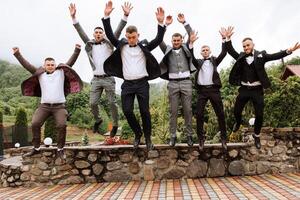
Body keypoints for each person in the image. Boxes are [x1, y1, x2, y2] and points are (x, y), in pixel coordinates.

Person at [101, 0, 168, 150]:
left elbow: (158, 40)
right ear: (126, 36)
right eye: (129, 37)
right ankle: (138, 133)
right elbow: (111, 36)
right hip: (128, 84)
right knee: (127, 111)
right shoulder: (121, 46)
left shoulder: (144, 46)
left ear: (138, 35)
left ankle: (148, 138)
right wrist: (107, 17)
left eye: (134, 37)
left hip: (142, 83)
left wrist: (160, 23)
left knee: (144, 111)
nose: (131, 40)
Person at [225, 26, 300, 149]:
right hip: (244, 89)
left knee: (259, 115)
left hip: (257, 89)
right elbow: (230, 50)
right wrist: (227, 38)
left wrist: (289, 51)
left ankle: (257, 134)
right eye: (244, 46)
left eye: (248, 45)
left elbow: (275, 56)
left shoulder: (261, 55)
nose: (246, 48)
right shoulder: (241, 56)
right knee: (236, 111)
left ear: (253, 45)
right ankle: (237, 123)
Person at [69, 2, 133, 136]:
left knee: (112, 103)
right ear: (94, 35)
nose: (98, 34)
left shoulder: (109, 44)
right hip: (96, 79)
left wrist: (125, 16)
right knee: (92, 103)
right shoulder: (90, 44)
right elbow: (81, 32)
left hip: (108, 78)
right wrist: (74, 18)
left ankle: (115, 125)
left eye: (100, 32)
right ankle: (98, 119)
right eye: (96, 32)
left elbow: (118, 30)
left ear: (103, 34)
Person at [13, 44, 82, 158]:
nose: (50, 66)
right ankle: (36, 148)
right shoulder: (40, 74)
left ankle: (60, 149)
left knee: (62, 125)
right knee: (35, 123)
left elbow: (70, 63)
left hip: (59, 107)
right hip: (44, 106)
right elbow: (27, 65)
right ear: (44, 66)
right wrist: (17, 54)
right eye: (48, 65)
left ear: (55, 66)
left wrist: (77, 50)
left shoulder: (61, 73)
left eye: (52, 65)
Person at [159, 13, 196, 147]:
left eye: (178, 40)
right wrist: (164, 25)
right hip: (173, 84)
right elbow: (159, 40)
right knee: (173, 111)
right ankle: (173, 136)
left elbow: (191, 35)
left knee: (188, 110)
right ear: (171, 41)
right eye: (174, 40)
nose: (176, 42)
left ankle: (189, 136)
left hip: (186, 82)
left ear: (181, 41)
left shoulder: (187, 49)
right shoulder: (167, 49)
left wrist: (184, 22)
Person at [188, 29, 228, 151]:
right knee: (199, 114)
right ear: (201, 53)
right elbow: (191, 56)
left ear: (210, 52)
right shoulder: (198, 62)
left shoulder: (214, 61)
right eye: (203, 50)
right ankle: (201, 138)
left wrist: (224, 40)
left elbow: (224, 53)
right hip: (202, 92)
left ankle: (223, 138)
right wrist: (191, 43)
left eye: (207, 50)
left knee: (220, 114)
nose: (205, 51)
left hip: (214, 90)